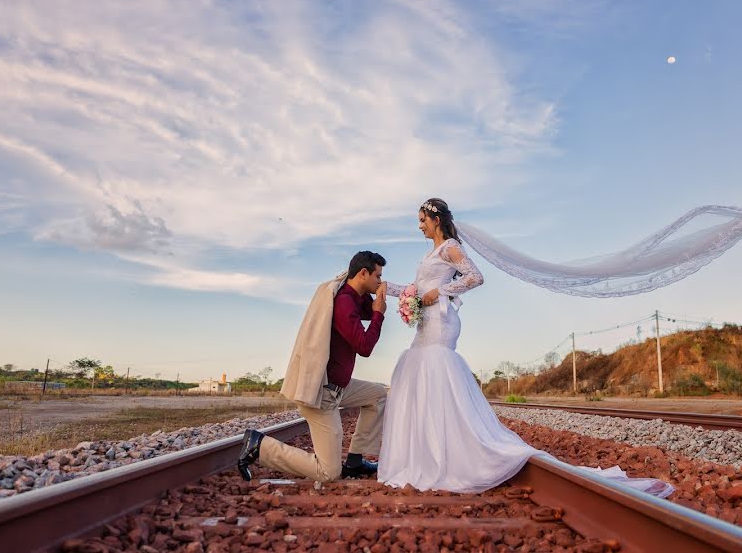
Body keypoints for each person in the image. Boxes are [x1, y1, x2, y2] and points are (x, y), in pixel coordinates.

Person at [378, 199, 673, 496]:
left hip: (440, 325)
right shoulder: (432, 254)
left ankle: (451, 454)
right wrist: (383, 286)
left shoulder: (450, 247)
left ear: (436, 219)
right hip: (424, 325)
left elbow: (475, 277)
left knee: (436, 373)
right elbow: (415, 291)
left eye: (422, 220)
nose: (419, 226)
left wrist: (439, 291)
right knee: (422, 374)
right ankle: (431, 453)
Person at [237, 251, 389, 482]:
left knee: (378, 395)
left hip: (340, 387)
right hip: (322, 392)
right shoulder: (344, 303)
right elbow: (364, 346)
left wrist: (394, 297)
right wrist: (379, 314)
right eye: (378, 276)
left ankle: (355, 461)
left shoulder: (355, 297)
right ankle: (260, 446)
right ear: (363, 273)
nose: (380, 282)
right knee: (328, 472)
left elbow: (369, 308)